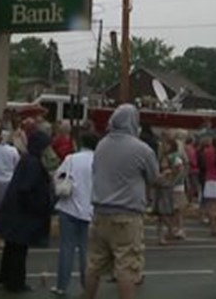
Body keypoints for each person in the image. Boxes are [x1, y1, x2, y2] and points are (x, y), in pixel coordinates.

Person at [83, 104, 158, 299]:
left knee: (94, 266)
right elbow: (153, 177)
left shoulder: (102, 144)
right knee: (127, 267)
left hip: (100, 212)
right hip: (127, 214)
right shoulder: (142, 149)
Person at [0, 130, 54, 293]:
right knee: (19, 250)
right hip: (22, 214)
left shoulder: (27, 160)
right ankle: (16, 282)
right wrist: (39, 206)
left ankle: (6, 277)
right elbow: (27, 189)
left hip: (14, 211)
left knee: (12, 247)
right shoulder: (33, 164)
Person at [52, 132, 97, 296]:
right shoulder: (98, 162)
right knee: (86, 251)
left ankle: (61, 285)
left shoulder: (71, 158)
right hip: (89, 210)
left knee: (66, 248)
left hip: (68, 207)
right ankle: (88, 286)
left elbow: (58, 176)